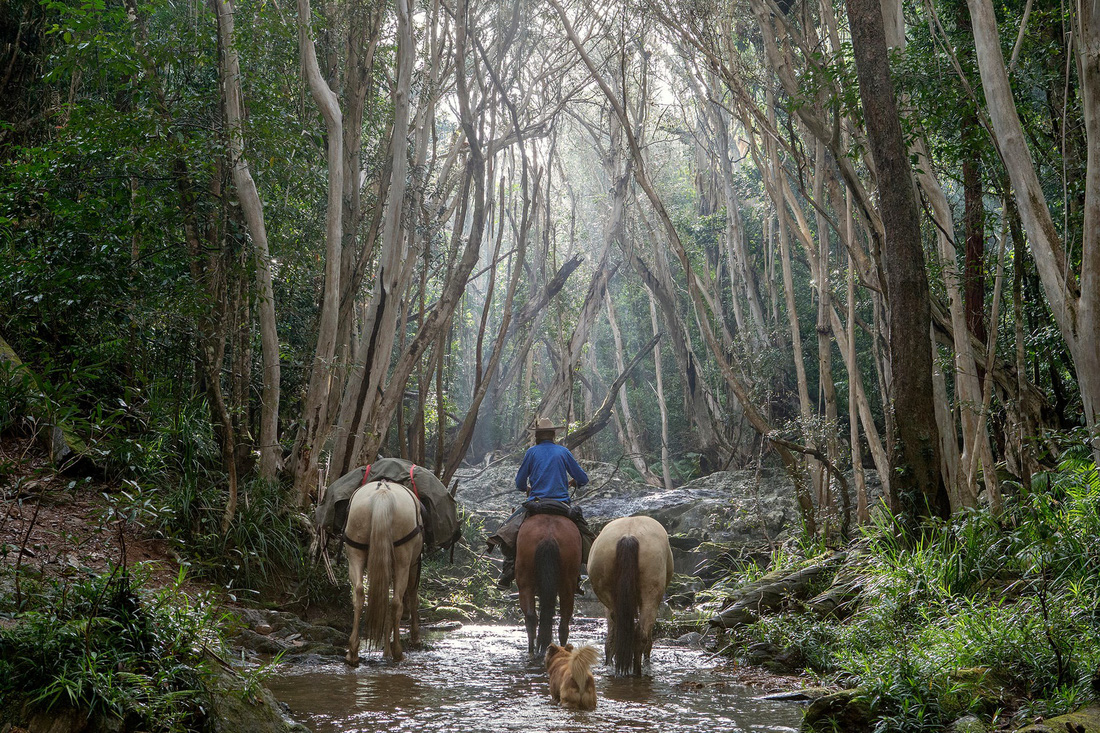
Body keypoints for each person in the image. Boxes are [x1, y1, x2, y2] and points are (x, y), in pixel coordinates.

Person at [487, 417, 593, 590]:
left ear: (537, 436)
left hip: (536, 502)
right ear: (553, 435)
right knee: (585, 533)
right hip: (562, 504)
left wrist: (527, 488)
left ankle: (508, 570)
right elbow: (583, 478)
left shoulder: (531, 452)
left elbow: (519, 482)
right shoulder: (563, 452)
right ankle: (576, 576)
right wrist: (573, 482)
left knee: (507, 530)